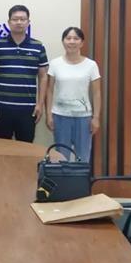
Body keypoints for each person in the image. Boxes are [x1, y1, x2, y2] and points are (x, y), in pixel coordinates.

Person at [0, 5, 48, 142]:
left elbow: (43, 77)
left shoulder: (38, 46)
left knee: (25, 148)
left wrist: (40, 104)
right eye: (15, 19)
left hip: (28, 109)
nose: (19, 22)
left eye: (23, 19)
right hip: (0, 107)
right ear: (9, 22)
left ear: (28, 22)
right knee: (0, 147)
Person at [45, 27, 101, 162]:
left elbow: (96, 93)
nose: (72, 41)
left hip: (84, 118)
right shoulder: (55, 63)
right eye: (68, 38)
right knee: (61, 156)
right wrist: (48, 115)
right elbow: (49, 90)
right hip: (60, 117)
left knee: (83, 157)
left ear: (82, 43)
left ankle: (81, 178)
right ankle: (64, 177)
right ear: (63, 42)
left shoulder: (91, 65)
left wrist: (96, 118)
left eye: (76, 38)